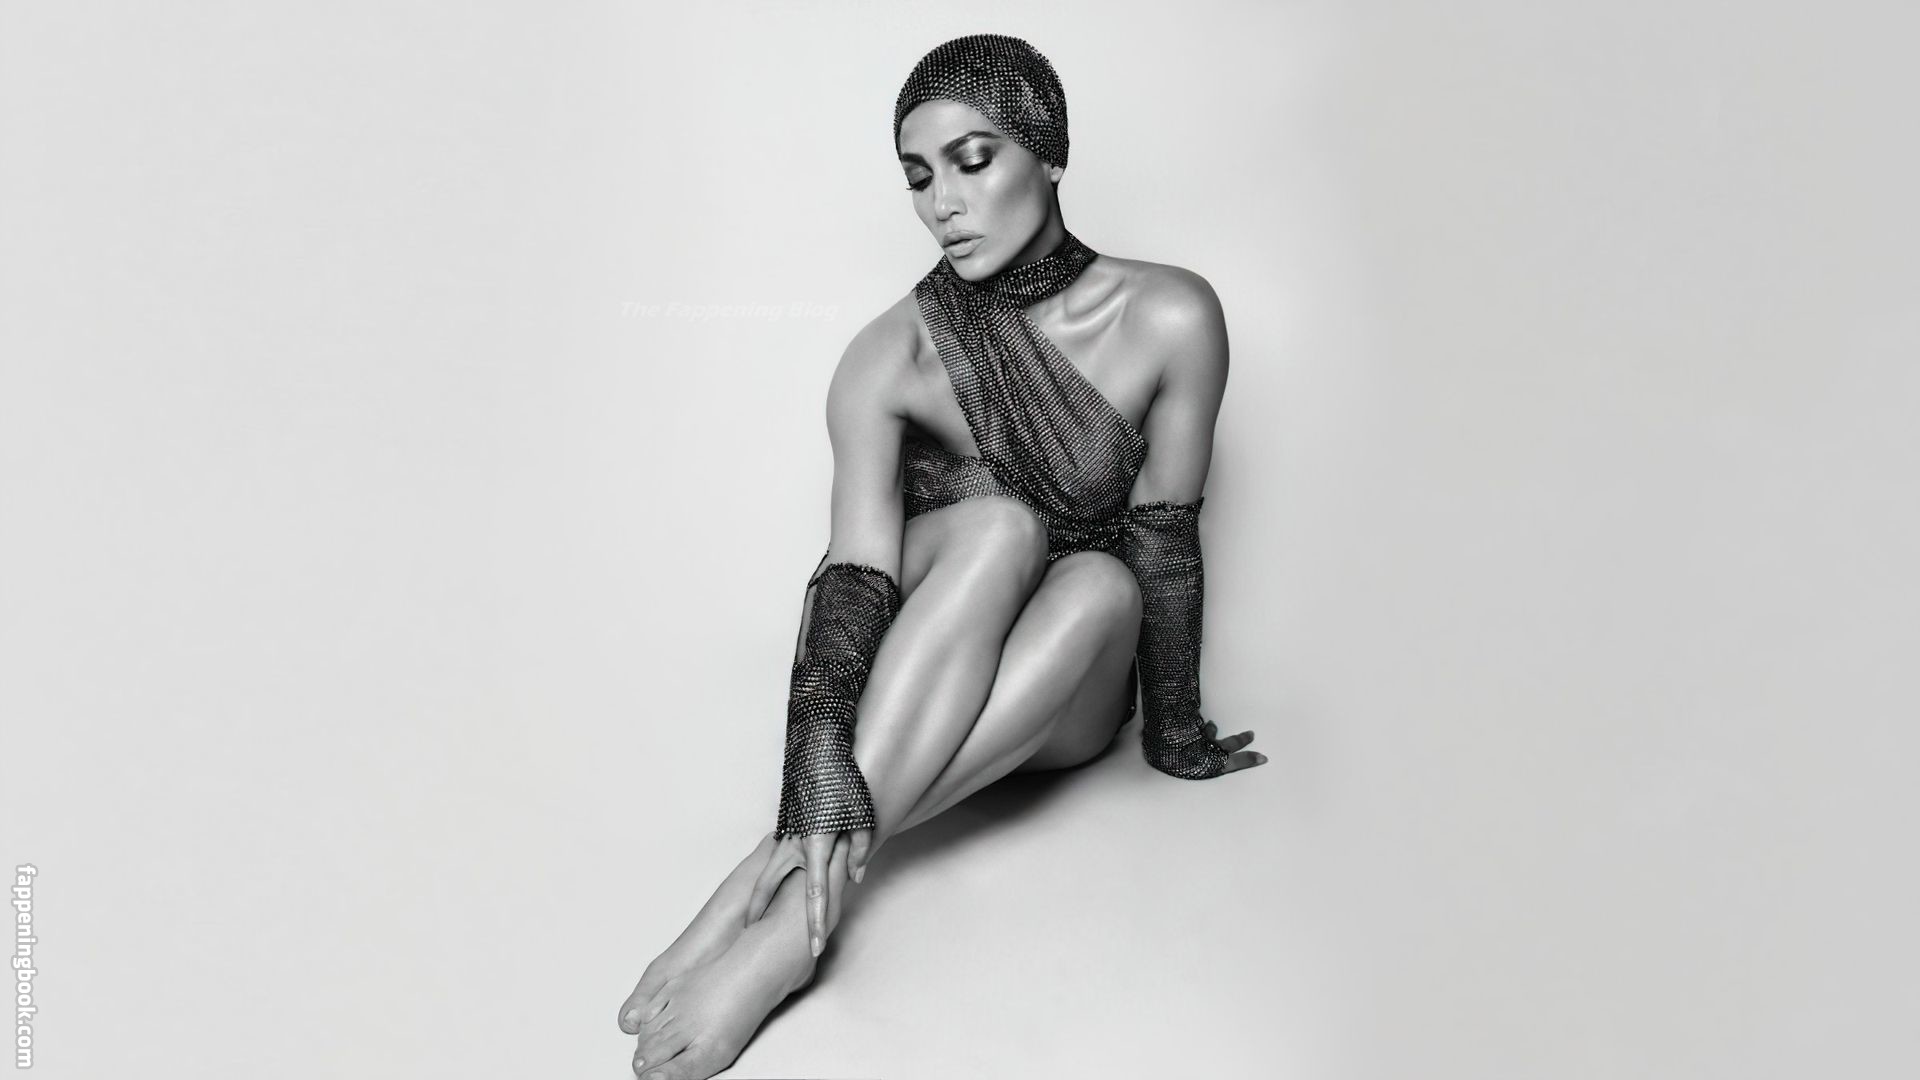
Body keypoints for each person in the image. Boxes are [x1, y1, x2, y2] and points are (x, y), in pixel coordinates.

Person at [616, 33, 1267, 1080]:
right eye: (919, 178)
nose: (943, 205)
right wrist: (810, 781)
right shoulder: (889, 355)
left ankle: (773, 893)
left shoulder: (1172, 314)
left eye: (973, 161)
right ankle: (797, 909)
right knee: (1002, 526)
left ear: (1049, 154)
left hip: (1062, 686)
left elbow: (1162, 538)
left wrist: (1177, 729)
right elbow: (855, 580)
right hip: (914, 669)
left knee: (1104, 580)